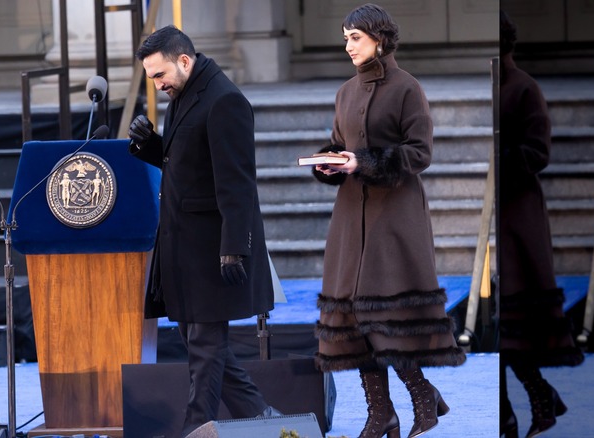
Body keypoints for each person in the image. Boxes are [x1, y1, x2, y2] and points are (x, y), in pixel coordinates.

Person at [310, 4, 466, 438]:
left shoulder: (407, 88)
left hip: (394, 216)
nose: (348, 46)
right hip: (351, 218)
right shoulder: (345, 92)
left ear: (378, 39)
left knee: (387, 314)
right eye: (345, 38)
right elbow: (339, 142)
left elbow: (420, 152)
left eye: (355, 37)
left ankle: (422, 397)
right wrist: (328, 161)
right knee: (352, 316)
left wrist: (365, 161)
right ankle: (382, 413)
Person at [126, 25, 280, 437]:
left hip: (213, 249)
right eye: (151, 77)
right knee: (204, 348)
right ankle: (264, 419)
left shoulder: (225, 100)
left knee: (205, 352)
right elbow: (187, 162)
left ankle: (196, 429)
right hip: (184, 247)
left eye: (160, 75)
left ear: (184, 60)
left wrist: (234, 247)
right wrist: (148, 145)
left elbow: (237, 183)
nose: (157, 85)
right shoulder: (184, 92)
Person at [498, 10, 584, 438]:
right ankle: (526, 405)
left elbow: (538, 152)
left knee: (511, 325)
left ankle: (529, 403)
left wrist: (501, 154)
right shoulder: (492, 87)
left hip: (517, 219)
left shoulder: (523, 87)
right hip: (494, 217)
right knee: (497, 325)